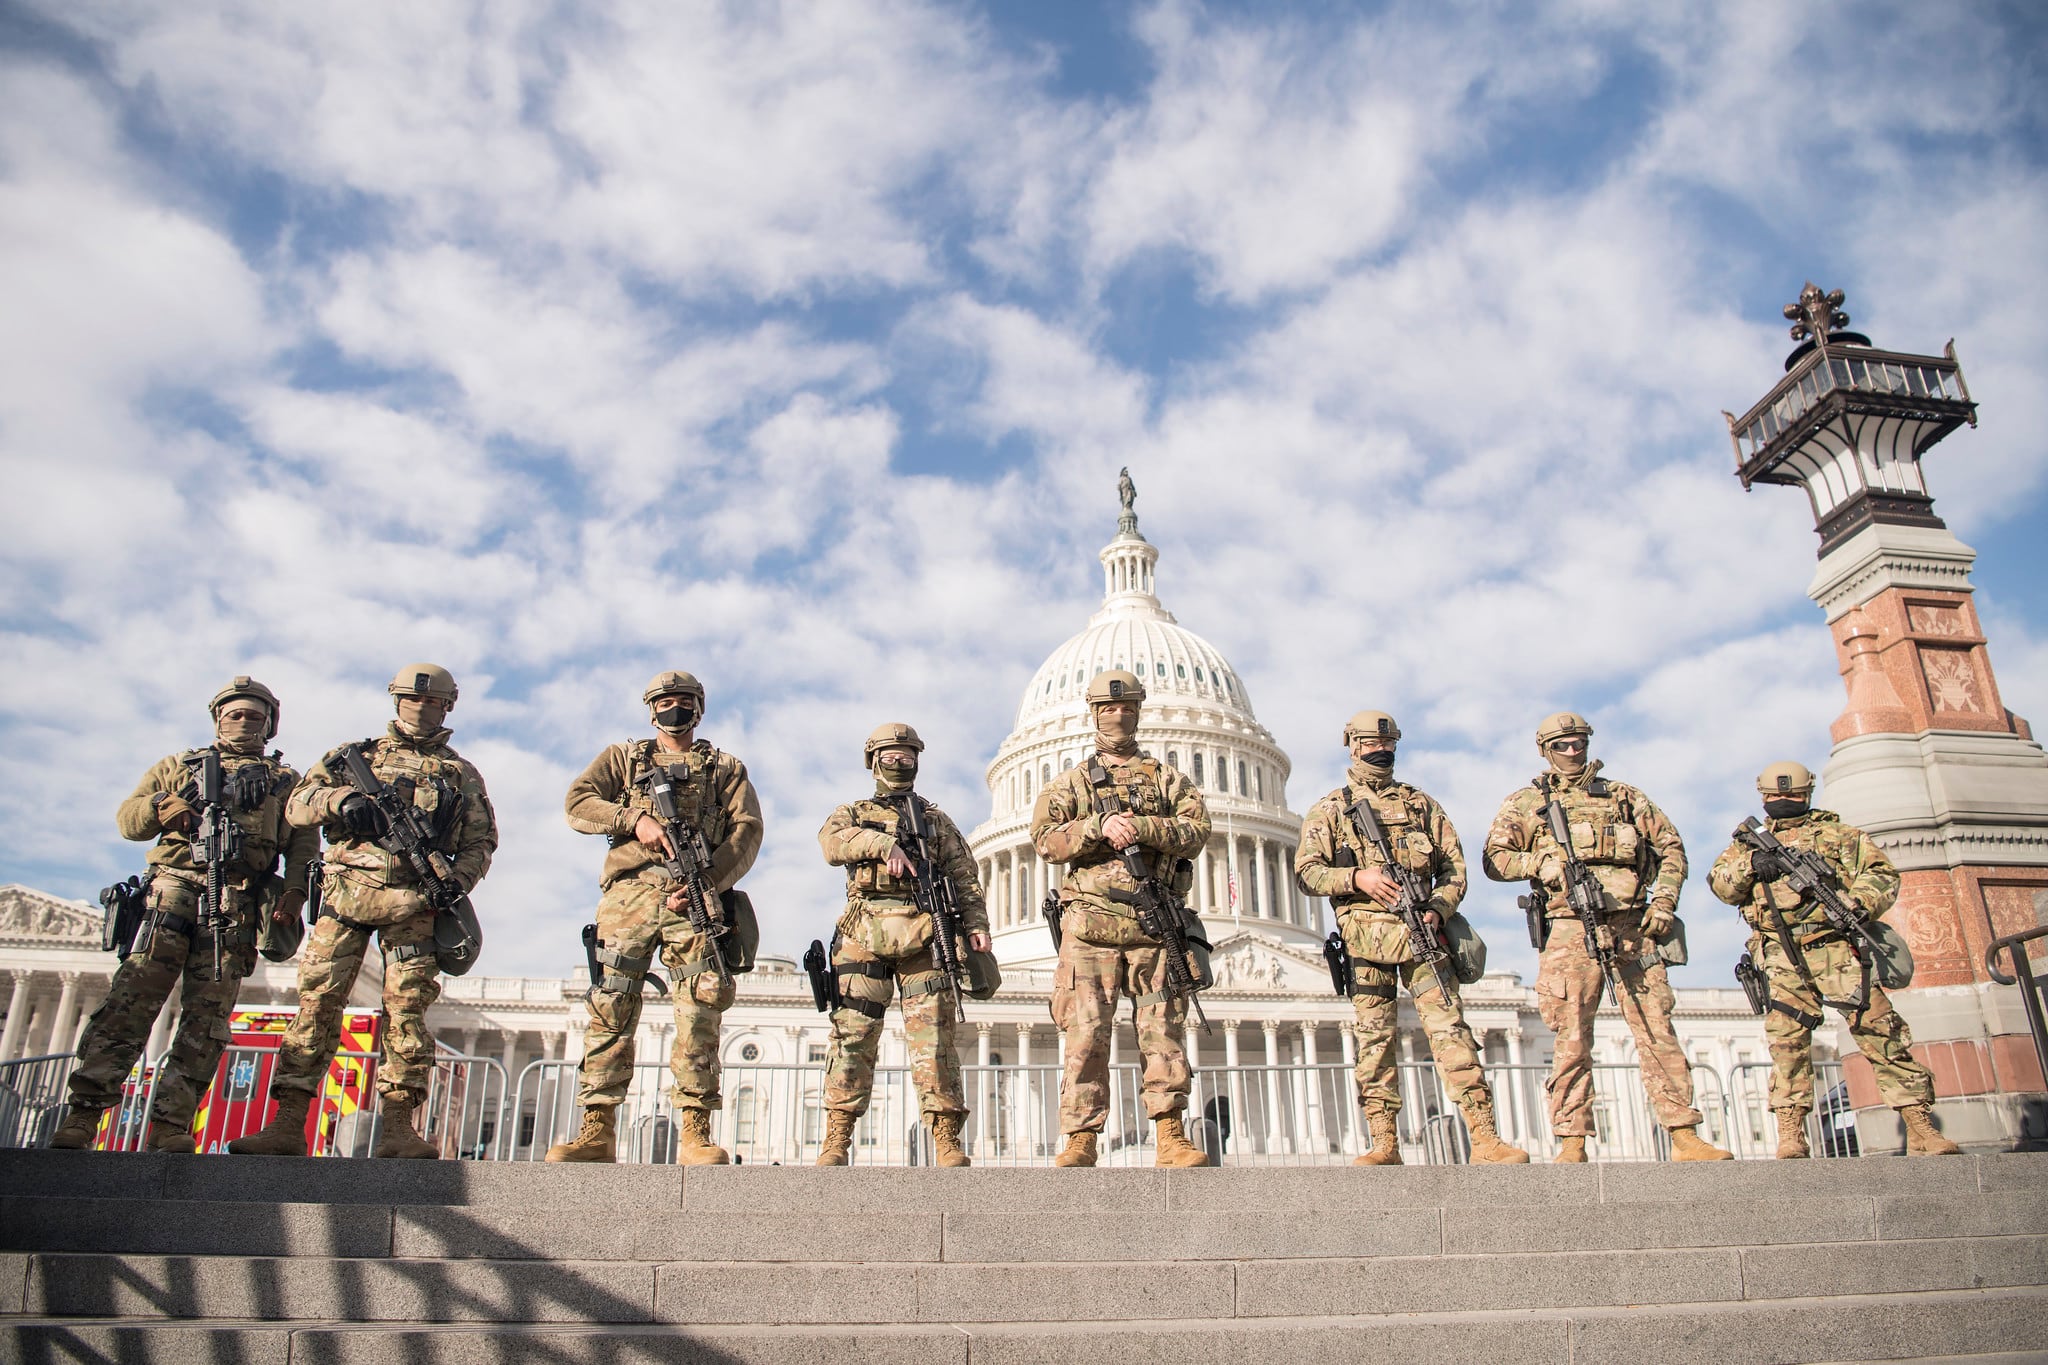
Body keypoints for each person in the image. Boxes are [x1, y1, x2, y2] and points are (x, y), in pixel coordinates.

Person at [230, 664, 497, 1159]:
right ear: (396, 702)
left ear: (448, 707)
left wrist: (453, 885)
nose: (421, 710)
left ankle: (398, 1126)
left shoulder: (461, 773)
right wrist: (342, 801)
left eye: (433, 703)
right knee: (316, 1005)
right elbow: (298, 805)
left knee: (407, 1014)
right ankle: (287, 1121)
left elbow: (481, 841)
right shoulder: (353, 757)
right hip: (346, 897)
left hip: (416, 904)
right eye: (412, 701)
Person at [50, 678, 314, 1153]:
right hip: (171, 890)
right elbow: (129, 821)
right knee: (131, 1003)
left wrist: (293, 895)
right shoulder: (176, 767)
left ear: (270, 725)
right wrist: (160, 806)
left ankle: (171, 1124)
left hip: (236, 899)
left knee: (207, 1020)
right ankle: (84, 1115)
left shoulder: (285, 782)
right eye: (235, 714)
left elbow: (302, 847)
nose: (244, 722)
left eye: (255, 716)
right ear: (217, 718)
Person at [1482, 712, 1731, 1162]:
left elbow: (1671, 848)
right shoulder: (1526, 803)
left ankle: (1683, 1134)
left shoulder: (1625, 797)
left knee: (1657, 1028)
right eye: (1562, 745)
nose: (1572, 751)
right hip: (1570, 929)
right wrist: (1538, 864)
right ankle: (1572, 1139)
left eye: (1578, 743)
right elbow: (1495, 860)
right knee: (1570, 1034)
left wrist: (1664, 903)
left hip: (1634, 925)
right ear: (1546, 750)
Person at [545, 670, 763, 1165]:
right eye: (666, 701)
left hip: (695, 897)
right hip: (630, 897)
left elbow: (746, 831)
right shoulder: (623, 759)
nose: (675, 708)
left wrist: (709, 881)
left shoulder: (725, 768)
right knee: (610, 1007)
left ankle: (695, 1132)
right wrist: (634, 820)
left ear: (699, 708)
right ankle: (596, 1130)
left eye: (684, 701)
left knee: (700, 1011)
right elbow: (578, 803)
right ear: (651, 709)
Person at [1295, 711, 1528, 1165]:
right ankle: (1384, 1141)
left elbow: (1454, 869)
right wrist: (1357, 878)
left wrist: (1438, 911)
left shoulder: (1422, 806)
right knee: (1374, 1042)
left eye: (1387, 743)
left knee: (1450, 1032)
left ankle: (1484, 1136)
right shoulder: (1330, 810)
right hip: (1366, 942)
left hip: (1422, 936)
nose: (1380, 750)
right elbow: (1307, 873)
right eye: (1369, 742)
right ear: (1352, 745)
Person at [1708, 761, 1959, 1158]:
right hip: (1779, 953)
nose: (1783, 801)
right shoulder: (1744, 845)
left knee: (1879, 1030)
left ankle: (1919, 1124)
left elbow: (1881, 875)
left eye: (1790, 795)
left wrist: (1857, 903)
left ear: (1807, 795)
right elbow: (1720, 885)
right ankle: (1791, 1131)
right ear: (1764, 798)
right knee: (1787, 1044)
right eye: (1775, 796)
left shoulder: (1840, 835)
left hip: (1837, 946)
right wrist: (1751, 866)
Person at [1032, 669, 1212, 1168]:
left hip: (1155, 927)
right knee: (1086, 1034)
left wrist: (1144, 826)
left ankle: (1171, 1134)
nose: (1117, 714)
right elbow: (1046, 840)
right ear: (1094, 713)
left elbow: (1197, 830)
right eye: (1108, 708)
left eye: (1126, 706)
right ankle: (1081, 1136)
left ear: (1138, 710)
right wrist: (1097, 826)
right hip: (1091, 926)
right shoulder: (1070, 783)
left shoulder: (1168, 779)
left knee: (1163, 1036)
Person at [814, 723, 990, 1167]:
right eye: (891, 755)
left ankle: (946, 1137)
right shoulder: (852, 813)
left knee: (934, 1041)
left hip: (925, 934)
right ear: (874, 761)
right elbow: (831, 843)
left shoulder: (935, 820)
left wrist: (975, 924)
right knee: (852, 1037)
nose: (900, 761)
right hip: (864, 932)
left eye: (908, 755)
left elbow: (965, 875)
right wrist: (883, 843)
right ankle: (837, 1138)